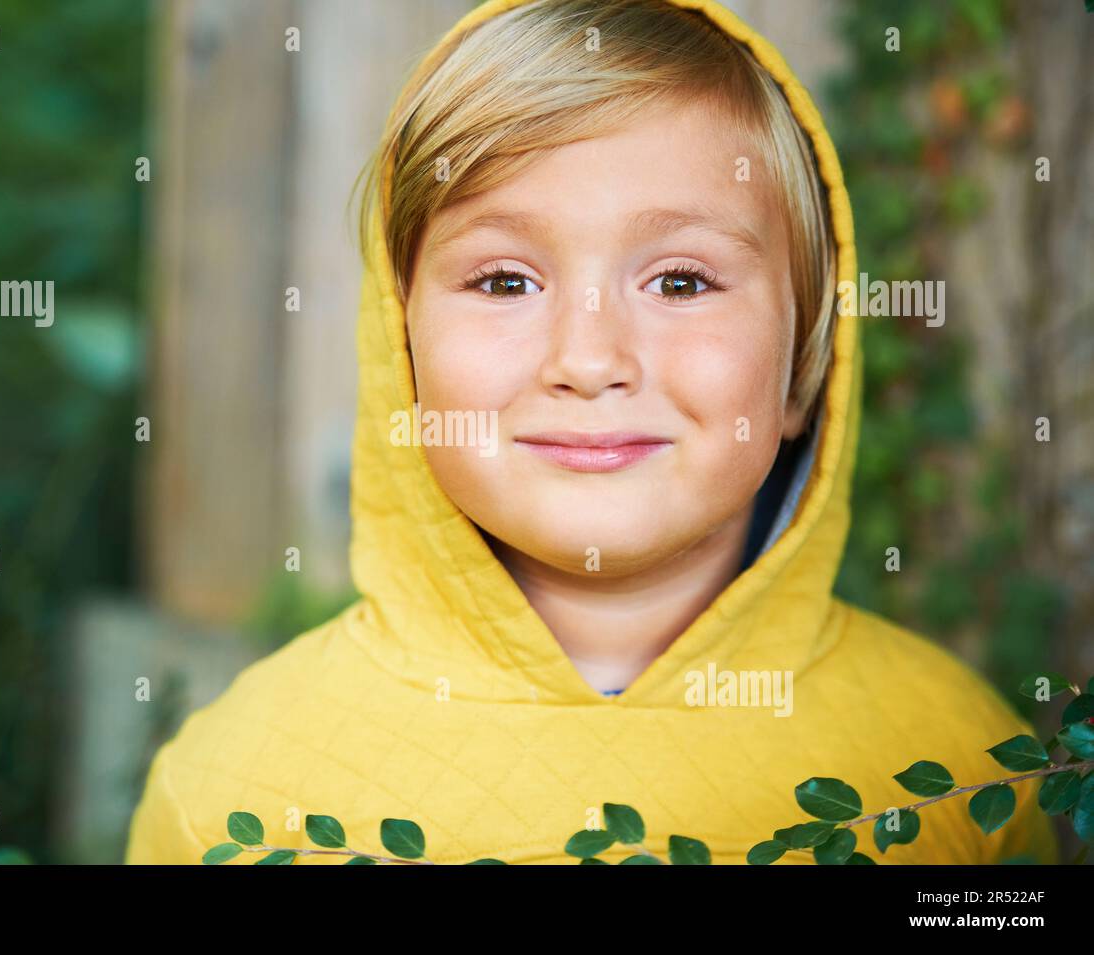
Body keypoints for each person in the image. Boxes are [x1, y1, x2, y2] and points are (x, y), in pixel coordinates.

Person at [126, 0, 1059, 865]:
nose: (588, 357)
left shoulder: (959, 769)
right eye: (503, 281)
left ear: (802, 370)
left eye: (682, 282)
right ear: (398, 350)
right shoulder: (231, 793)